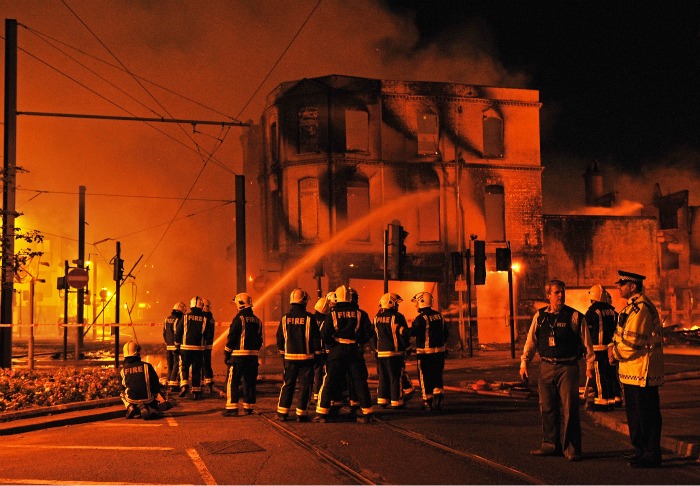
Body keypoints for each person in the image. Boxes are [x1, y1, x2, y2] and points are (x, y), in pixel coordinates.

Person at [520, 279, 595, 462]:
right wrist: (524, 363)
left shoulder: (575, 317)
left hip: (567, 368)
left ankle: (572, 449)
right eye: (556, 292)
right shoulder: (540, 317)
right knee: (547, 408)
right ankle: (550, 445)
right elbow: (531, 341)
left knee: (570, 409)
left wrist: (590, 367)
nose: (561, 295)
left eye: (562, 292)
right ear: (548, 295)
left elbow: (587, 345)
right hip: (545, 366)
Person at [608, 270, 665, 468]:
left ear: (633, 286)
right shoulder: (629, 309)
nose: (618, 286)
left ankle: (651, 454)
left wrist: (614, 353)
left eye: (622, 284)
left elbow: (633, 342)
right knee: (635, 415)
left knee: (646, 414)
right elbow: (618, 335)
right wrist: (612, 348)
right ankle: (640, 451)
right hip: (632, 371)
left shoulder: (641, 309)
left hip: (643, 372)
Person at [314, 284, 374, 423]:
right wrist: (359, 341)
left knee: (329, 380)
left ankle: (322, 412)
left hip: (337, 350)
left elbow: (324, 335)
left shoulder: (332, 314)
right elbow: (369, 332)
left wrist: (334, 343)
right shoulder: (361, 314)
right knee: (360, 381)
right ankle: (367, 412)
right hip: (354, 350)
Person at [275, 288, 321, 422]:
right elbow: (315, 339)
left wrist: (283, 354)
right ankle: (301, 414)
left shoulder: (284, 319)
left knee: (288, 384)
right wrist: (317, 354)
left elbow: (280, 338)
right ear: (304, 301)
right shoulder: (310, 318)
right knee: (305, 386)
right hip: (306, 359)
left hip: (289, 359)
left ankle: (282, 413)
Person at [223, 292, 263, 416]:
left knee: (232, 381)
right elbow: (260, 339)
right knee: (250, 381)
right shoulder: (258, 321)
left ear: (240, 304)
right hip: (252, 357)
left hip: (238, 358)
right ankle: (249, 406)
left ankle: (232, 408)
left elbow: (232, 337)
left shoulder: (238, 319)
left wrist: (227, 352)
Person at [371, 292, 411, 409]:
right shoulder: (397, 317)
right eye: (396, 303)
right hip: (395, 353)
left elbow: (373, 336)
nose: (397, 306)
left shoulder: (376, 318)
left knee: (383, 377)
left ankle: (382, 400)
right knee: (395, 377)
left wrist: (375, 350)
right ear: (390, 303)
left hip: (381, 353)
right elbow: (404, 335)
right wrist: (407, 348)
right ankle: (396, 401)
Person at [411, 291, 448, 412]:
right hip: (440, 352)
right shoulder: (439, 315)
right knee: (437, 375)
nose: (416, 305)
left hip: (425, 353)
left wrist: (400, 330)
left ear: (422, 302)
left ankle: (427, 401)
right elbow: (446, 333)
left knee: (425, 377)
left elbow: (412, 332)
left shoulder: (421, 318)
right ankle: (439, 398)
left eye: (416, 303)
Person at [584, 284, 619, 410]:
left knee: (599, 376)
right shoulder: (612, 311)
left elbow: (585, 328)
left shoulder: (593, 311)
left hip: (597, 349)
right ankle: (613, 399)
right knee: (610, 375)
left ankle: (602, 401)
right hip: (611, 348)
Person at [175, 296, 215, 399]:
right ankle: (196, 391)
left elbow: (178, 332)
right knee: (197, 369)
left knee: (184, 367)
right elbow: (206, 335)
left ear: (191, 305)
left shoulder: (185, 317)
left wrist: (176, 345)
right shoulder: (205, 319)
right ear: (201, 306)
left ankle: (184, 385)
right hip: (199, 349)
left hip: (185, 348)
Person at [120, 341, 163, 420]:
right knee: (153, 398)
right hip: (148, 399)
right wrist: (156, 393)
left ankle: (130, 407)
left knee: (121, 394)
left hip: (131, 399)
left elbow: (122, 387)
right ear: (137, 352)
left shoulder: (123, 370)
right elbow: (155, 382)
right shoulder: (147, 366)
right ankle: (150, 407)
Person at [163, 302, 186, 394]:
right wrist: (178, 344)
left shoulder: (167, 319)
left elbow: (164, 333)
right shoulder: (179, 319)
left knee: (170, 365)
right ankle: (173, 384)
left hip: (168, 345)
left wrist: (167, 342)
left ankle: (170, 382)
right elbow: (178, 333)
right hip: (176, 345)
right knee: (177, 364)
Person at [201, 298, 215, 393]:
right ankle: (209, 383)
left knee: (201, 364)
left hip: (203, 344)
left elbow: (202, 331)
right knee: (207, 364)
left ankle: (202, 382)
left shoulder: (205, 318)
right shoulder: (211, 318)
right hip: (209, 344)